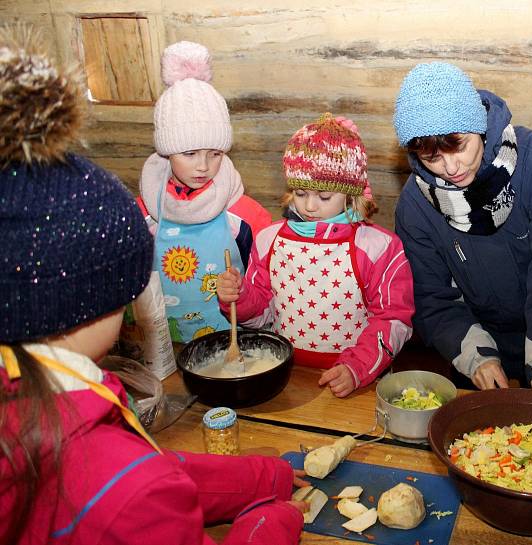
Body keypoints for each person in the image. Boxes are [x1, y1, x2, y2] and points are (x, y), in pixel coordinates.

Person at [0, 30, 306, 544]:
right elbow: (143, 485)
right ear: (103, 297)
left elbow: (150, 464)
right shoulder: (132, 494)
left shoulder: (37, 403)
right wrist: (273, 521)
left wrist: (262, 477)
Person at [393, 62, 532, 393]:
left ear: (479, 126)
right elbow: (431, 296)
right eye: (432, 159)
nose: (450, 168)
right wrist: (475, 356)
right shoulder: (415, 205)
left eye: (460, 147)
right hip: (473, 340)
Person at [217, 114, 414, 397]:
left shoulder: (378, 247)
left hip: (358, 378)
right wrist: (239, 297)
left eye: (324, 197)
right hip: (284, 375)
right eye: (300, 192)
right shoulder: (269, 240)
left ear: (350, 194)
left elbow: (394, 319)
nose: (309, 206)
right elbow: (261, 315)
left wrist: (356, 367)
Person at [136, 41, 271, 343]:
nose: (203, 166)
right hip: (162, 348)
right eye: (190, 153)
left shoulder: (248, 216)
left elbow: (264, 290)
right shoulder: (141, 214)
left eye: (215, 154)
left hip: (232, 344)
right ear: (167, 151)